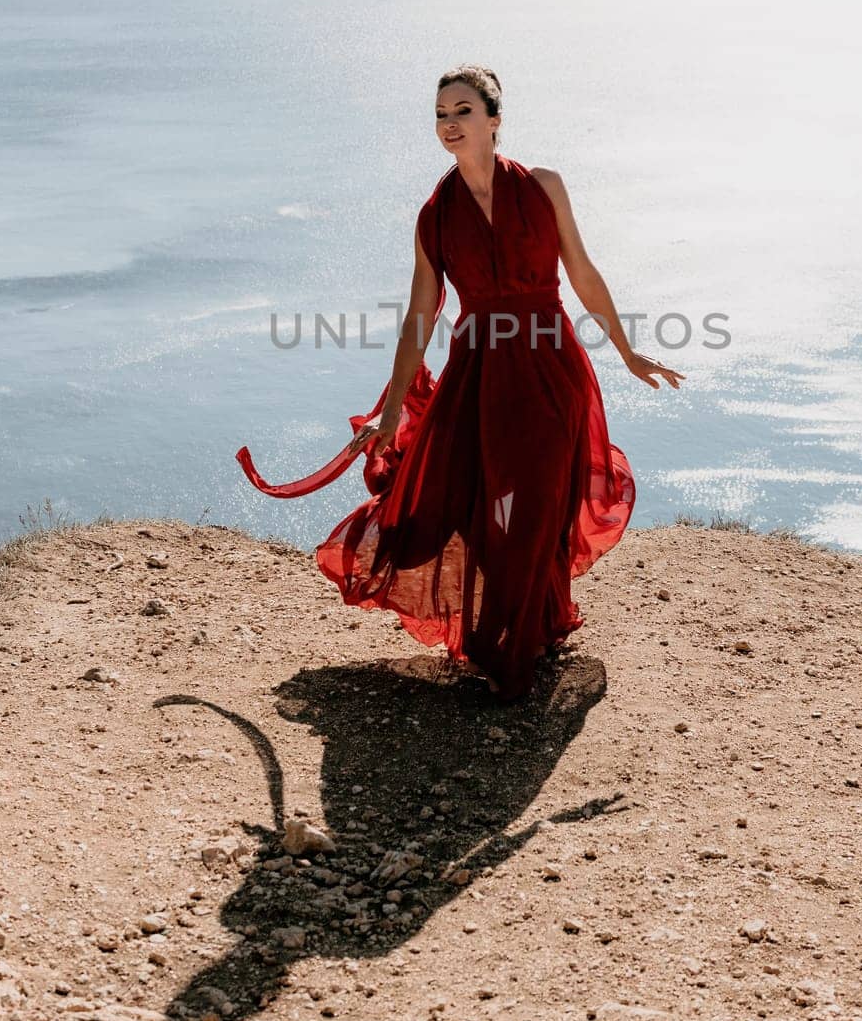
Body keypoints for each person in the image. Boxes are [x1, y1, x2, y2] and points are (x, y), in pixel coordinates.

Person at [236, 66, 685, 701]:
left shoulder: (545, 187)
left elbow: (581, 272)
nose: (450, 123)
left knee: (540, 502)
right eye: (442, 114)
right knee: (478, 503)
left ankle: (527, 631)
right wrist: (390, 412)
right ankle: (510, 631)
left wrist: (629, 351)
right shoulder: (434, 215)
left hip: (551, 362)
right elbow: (420, 316)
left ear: (494, 120)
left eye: (464, 111)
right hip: (479, 371)